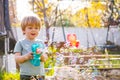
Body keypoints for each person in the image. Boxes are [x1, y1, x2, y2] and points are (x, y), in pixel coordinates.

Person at [14, 15, 48, 80]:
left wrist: (41, 55)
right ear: (24, 30)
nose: (33, 30)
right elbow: (17, 59)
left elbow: (45, 59)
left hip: (40, 75)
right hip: (26, 75)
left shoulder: (41, 43)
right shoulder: (20, 43)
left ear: (39, 30)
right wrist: (26, 57)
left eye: (36, 28)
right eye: (30, 28)